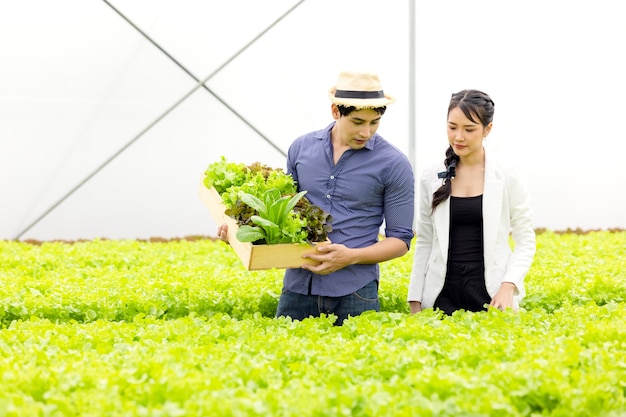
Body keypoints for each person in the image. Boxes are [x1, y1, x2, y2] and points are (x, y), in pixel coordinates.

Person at [218, 70, 415, 325]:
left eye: (374, 122)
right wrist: (238, 234)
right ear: (336, 111)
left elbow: (400, 241)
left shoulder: (393, 164)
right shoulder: (301, 148)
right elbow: (284, 216)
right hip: (298, 288)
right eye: (357, 122)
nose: (366, 132)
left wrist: (351, 256)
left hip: (355, 292)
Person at [407, 89, 535, 315]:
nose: (458, 137)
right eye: (452, 127)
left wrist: (508, 285)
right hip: (441, 294)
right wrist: (415, 298)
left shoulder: (507, 175)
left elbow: (525, 239)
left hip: (491, 294)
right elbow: (425, 241)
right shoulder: (431, 175)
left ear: (488, 129)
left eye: (469, 129)